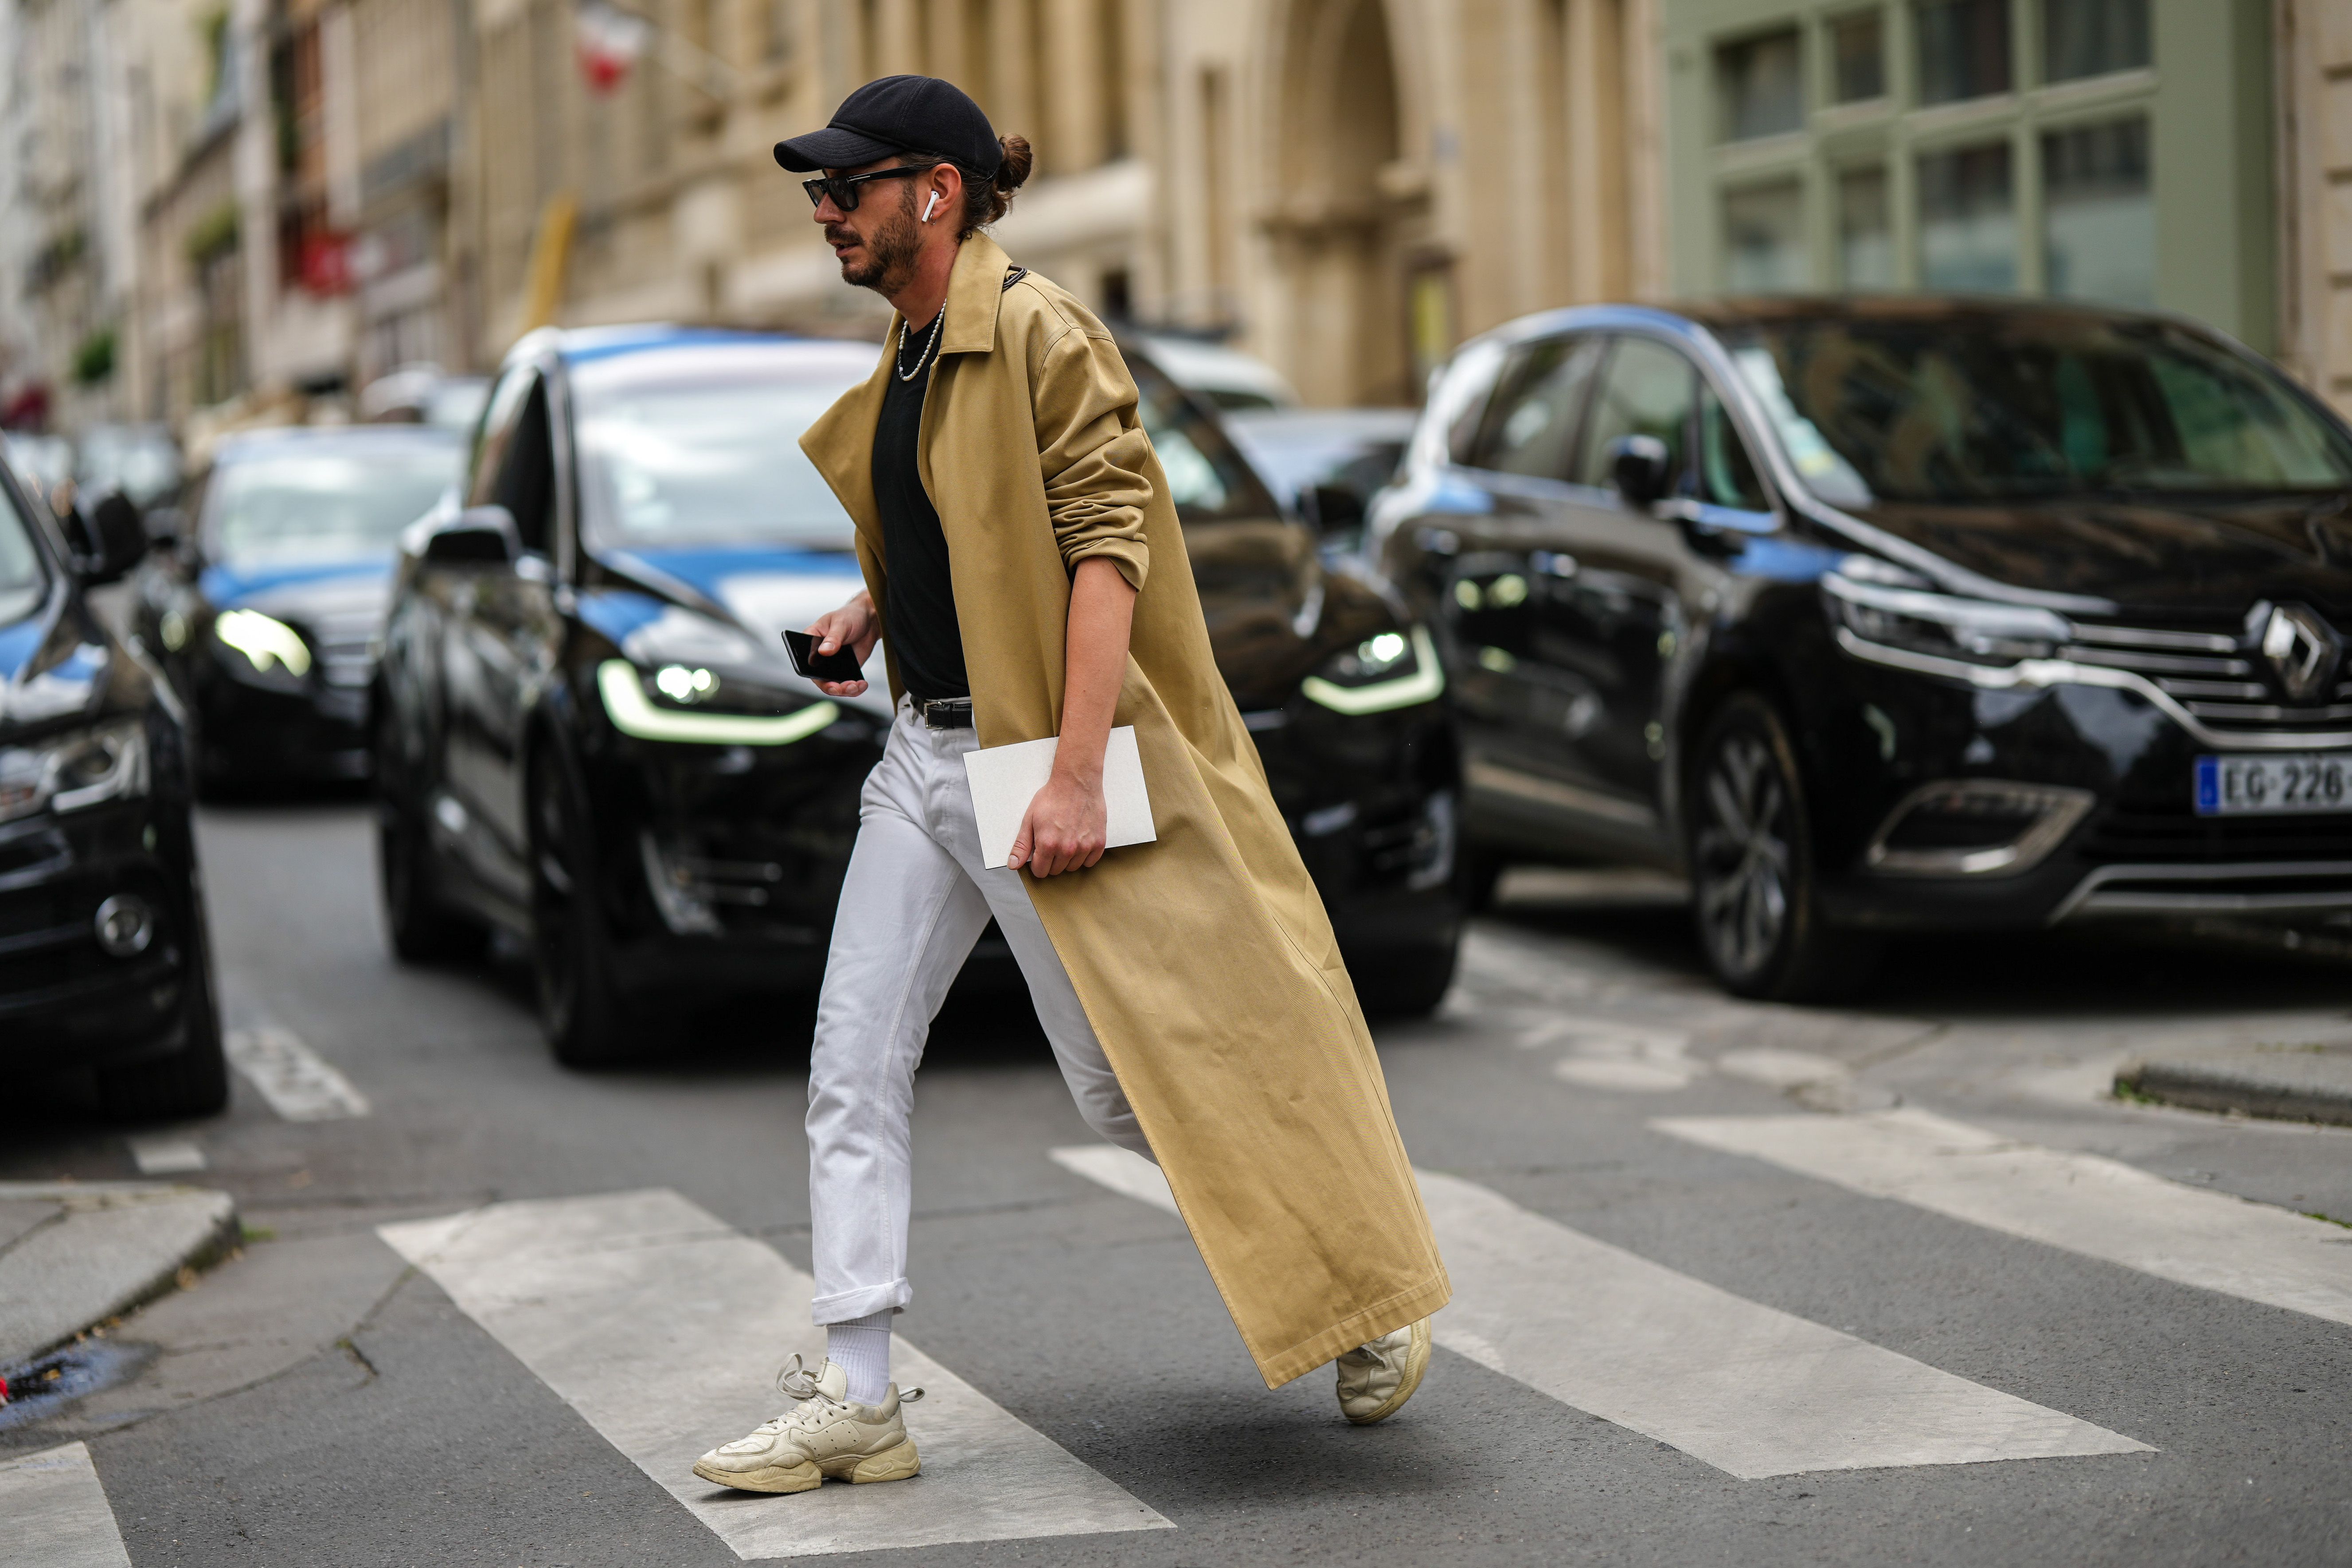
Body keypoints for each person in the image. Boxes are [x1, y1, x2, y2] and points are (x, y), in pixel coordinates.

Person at [692, 75, 1448, 1497]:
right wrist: (866, 615)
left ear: (932, 191)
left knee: (1127, 1086)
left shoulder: (1039, 329)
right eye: (818, 191)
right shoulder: (907, 350)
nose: (822, 213)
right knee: (853, 1061)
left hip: (1032, 757)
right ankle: (859, 1393)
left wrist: (1082, 774)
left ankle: (1366, 1289)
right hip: (923, 751)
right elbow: (952, 528)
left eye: (845, 189)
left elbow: (1108, 550)